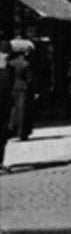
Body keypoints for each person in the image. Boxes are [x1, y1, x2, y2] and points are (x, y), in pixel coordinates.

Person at [8, 41, 35, 141]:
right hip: (23, 88)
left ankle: (11, 130)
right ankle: (22, 132)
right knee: (23, 110)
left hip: (11, 88)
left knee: (13, 110)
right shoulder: (26, 64)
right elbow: (30, 79)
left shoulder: (10, 63)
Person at [0, 41, 14, 173]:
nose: (5, 56)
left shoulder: (9, 68)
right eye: (3, 53)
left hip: (4, 106)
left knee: (2, 135)